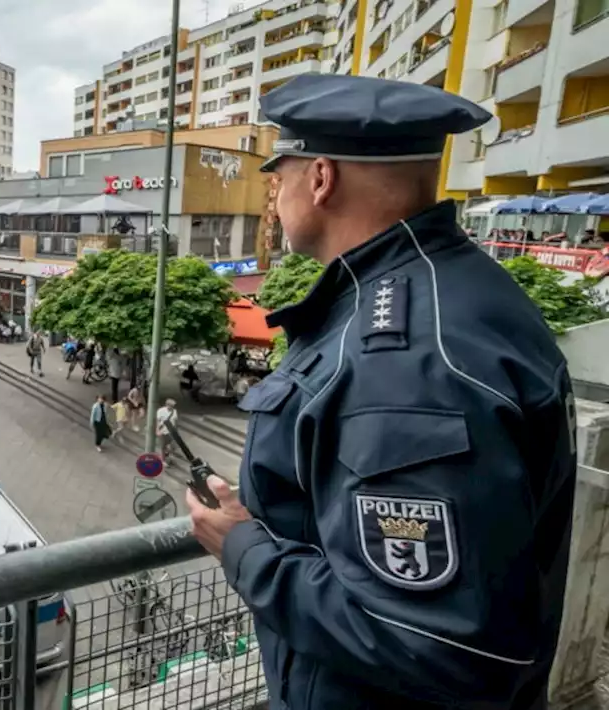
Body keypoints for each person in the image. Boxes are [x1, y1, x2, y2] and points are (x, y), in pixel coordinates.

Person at [183, 74, 576, 709]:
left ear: (320, 178)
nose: (274, 196)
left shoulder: (403, 360)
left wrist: (244, 549)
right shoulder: (462, 290)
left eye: (277, 178)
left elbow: (437, 645)